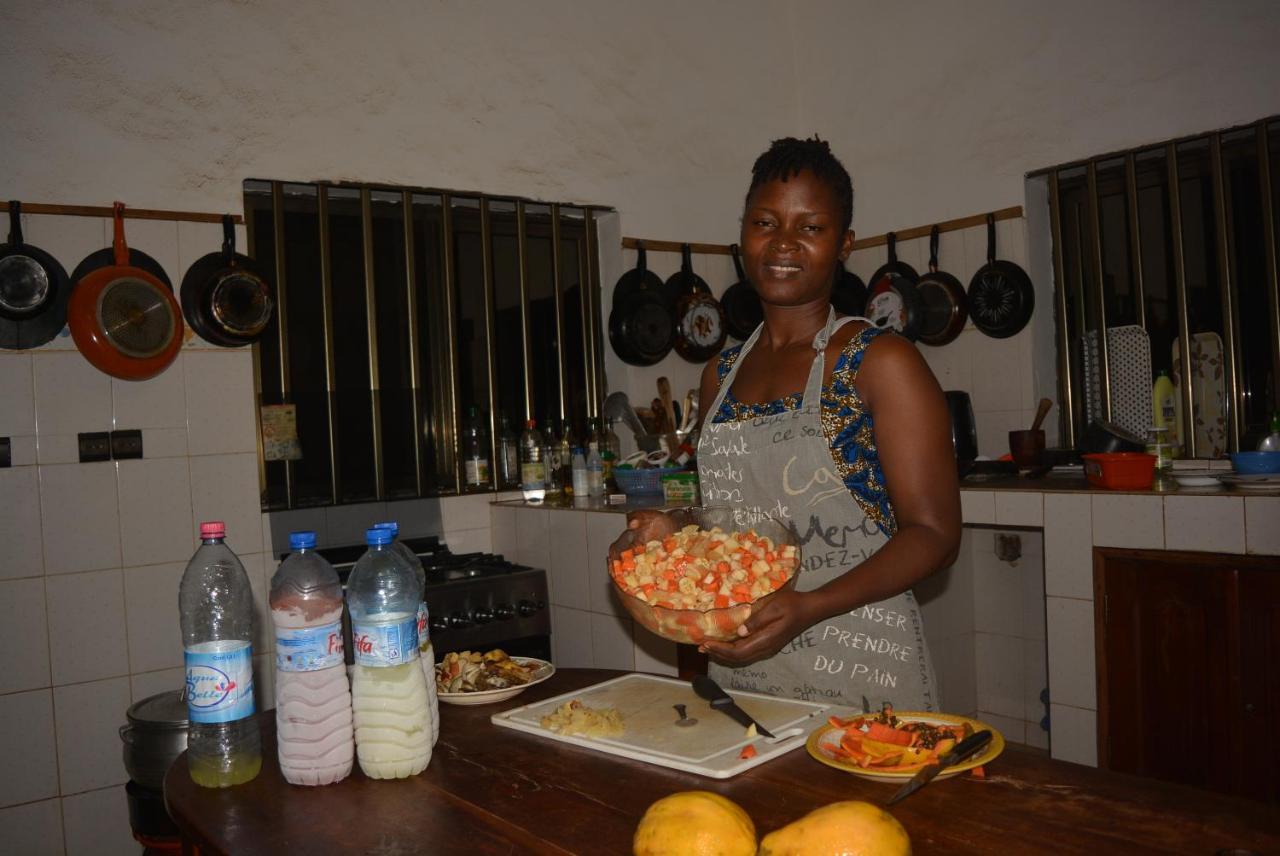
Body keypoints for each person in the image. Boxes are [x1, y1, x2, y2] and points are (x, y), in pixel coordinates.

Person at [617, 137, 961, 711]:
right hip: (743, 672)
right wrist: (673, 527)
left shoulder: (879, 362)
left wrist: (810, 606)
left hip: (859, 668)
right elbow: (735, 521)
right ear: (742, 236)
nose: (783, 243)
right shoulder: (719, 374)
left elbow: (935, 535)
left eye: (811, 227)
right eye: (765, 222)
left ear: (844, 244)